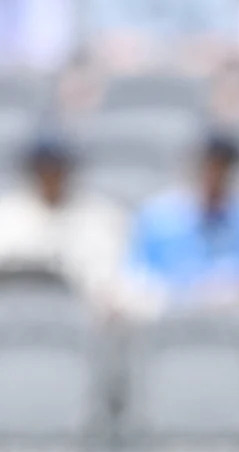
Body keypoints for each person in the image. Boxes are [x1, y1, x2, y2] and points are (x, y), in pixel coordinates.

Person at [127, 133, 239, 311]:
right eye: (209, 167)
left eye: (223, 168)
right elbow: (137, 278)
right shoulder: (158, 217)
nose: (215, 176)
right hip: (171, 317)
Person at [0, 135, 146, 318]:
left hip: (80, 325)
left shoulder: (103, 217)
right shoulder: (6, 216)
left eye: (56, 168)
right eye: (42, 169)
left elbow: (116, 286)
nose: (50, 176)